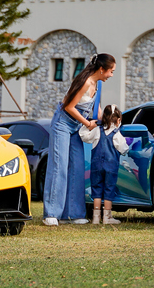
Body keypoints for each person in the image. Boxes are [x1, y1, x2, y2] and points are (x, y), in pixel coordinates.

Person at [41, 52, 116, 226]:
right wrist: (87, 123)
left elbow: (95, 110)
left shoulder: (97, 84)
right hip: (62, 123)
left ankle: (73, 214)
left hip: (76, 127)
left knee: (77, 167)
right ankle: (51, 213)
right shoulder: (84, 82)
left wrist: (109, 124)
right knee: (59, 166)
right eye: (111, 71)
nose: (111, 75)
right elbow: (69, 106)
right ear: (101, 69)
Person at [89, 103, 129, 225]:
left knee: (96, 189)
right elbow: (124, 149)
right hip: (111, 167)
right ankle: (107, 217)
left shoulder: (97, 131)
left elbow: (84, 136)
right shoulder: (117, 135)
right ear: (118, 120)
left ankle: (96, 217)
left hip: (96, 166)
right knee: (108, 189)